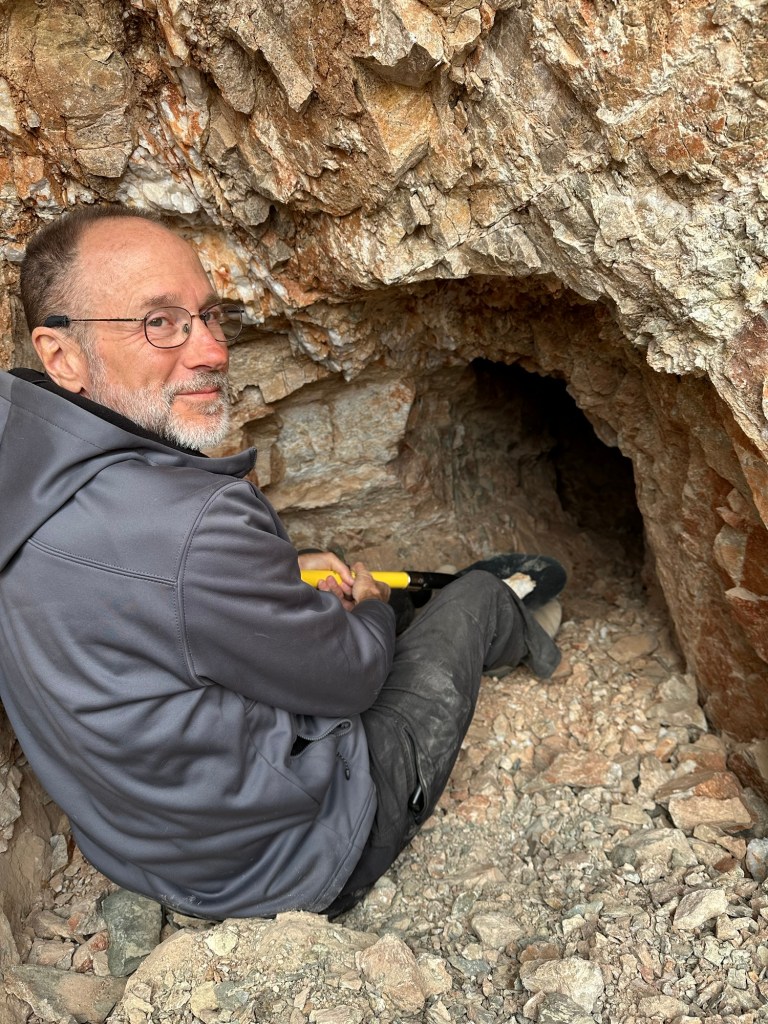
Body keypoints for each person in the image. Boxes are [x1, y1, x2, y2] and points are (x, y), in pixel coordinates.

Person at [0, 205, 564, 919]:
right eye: (160, 322)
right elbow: (351, 680)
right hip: (284, 862)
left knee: (331, 586)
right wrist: (370, 611)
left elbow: (150, 592)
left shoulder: (18, 459)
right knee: (471, 601)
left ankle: (412, 605)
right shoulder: (196, 528)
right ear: (62, 355)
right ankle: (523, 626)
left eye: (209, 316)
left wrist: (277, 573)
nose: (211, 350)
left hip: (136, 842)